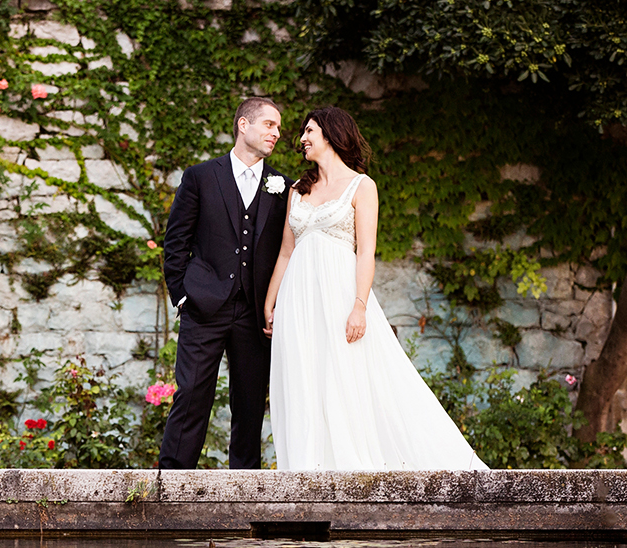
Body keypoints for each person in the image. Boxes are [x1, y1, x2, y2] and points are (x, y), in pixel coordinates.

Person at [264, 106, 488, 469]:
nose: (302, 139)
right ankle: (308, 469)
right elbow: (286, 252)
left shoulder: (362, 186)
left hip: (339, 293)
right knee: (303, 377)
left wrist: (359, 305)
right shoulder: (296, 190)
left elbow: (366, 251)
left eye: (309, 131)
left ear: (332, 134)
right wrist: (271, 301)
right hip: (297, 299)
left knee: (345, 374)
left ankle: (349, 468)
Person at [159, 97, 292, 469]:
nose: (276, 134)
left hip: (254, 312)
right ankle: (171, 480)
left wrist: (274, 303)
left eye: (279, 128)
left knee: (249, 401)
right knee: (191, 394)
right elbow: (176, 242)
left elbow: (287, 248)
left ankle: (244, 486)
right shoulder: (201, 176)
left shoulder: (282, 184)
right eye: (269, 125)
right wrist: (182, 297)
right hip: (204, 306)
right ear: (243, 125)